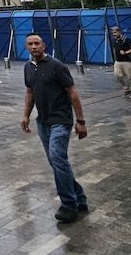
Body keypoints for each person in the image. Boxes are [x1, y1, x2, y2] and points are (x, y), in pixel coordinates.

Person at [21, 33, 88, 223]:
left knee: (58, 159)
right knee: (56, 163)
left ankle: (69, 205)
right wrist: (26, 115)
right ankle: (80, 197)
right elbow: (29, 92)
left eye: (37, 43)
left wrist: (80, 121)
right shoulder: (28, 67)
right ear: (26, 47)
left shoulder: (56, 66)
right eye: (30, 44)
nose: (34, 47)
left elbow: (72, 93)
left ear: (44, 45)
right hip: (43, 122)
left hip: (61, 120)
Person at [111, 26, 131, 98]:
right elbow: (114, 50)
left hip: (126, 61)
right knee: (118, 75)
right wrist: (114, 59)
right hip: (118, 61)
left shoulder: (126, 40)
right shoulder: (114, 41)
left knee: (130, 77)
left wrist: (125, 52)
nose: (114, 34)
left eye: (115, 32)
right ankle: (127, 88)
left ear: (119, 32)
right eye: (113, 33)